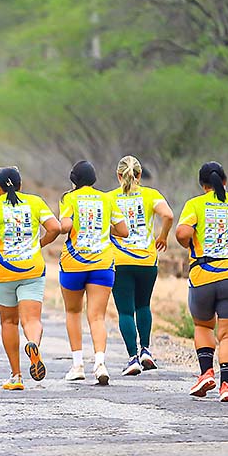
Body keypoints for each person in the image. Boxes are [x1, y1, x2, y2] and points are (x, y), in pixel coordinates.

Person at [175, 162, 228, 402]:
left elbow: (182, 233)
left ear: (202, 184)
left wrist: (189, 241)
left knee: (203, 326)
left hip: (202, 274)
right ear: (225, 181)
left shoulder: (195, 204)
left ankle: (206, 373)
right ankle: (227, 386)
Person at [0, 166, 61, 390]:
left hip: (4, 272)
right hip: (32, 269)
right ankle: (33, 343)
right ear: (20, 185)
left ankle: (16, 376)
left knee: (9, 322)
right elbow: (55, 228)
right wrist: (39, 244)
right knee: (32, 320)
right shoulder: (35, 202)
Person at [59, 160, 129, 385]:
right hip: (102, 264)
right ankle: (100, 363)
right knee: (97, 316)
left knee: (73, 312)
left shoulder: (69, 198)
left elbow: (65, 226)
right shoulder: (107, 199)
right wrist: (103, 228)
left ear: (74, 180)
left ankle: (77, 365)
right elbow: (124, 231)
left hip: (74, 263)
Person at [107, 156, 175, 376]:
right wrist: (163, 236)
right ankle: (146, 350)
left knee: (125, 311)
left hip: (120, 261)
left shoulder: (109, 198)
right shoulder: (151, 195)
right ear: (140, 174)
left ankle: (133, 357)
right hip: (147, 260)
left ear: (119, 175)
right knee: (143, 305)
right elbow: (168, 215)